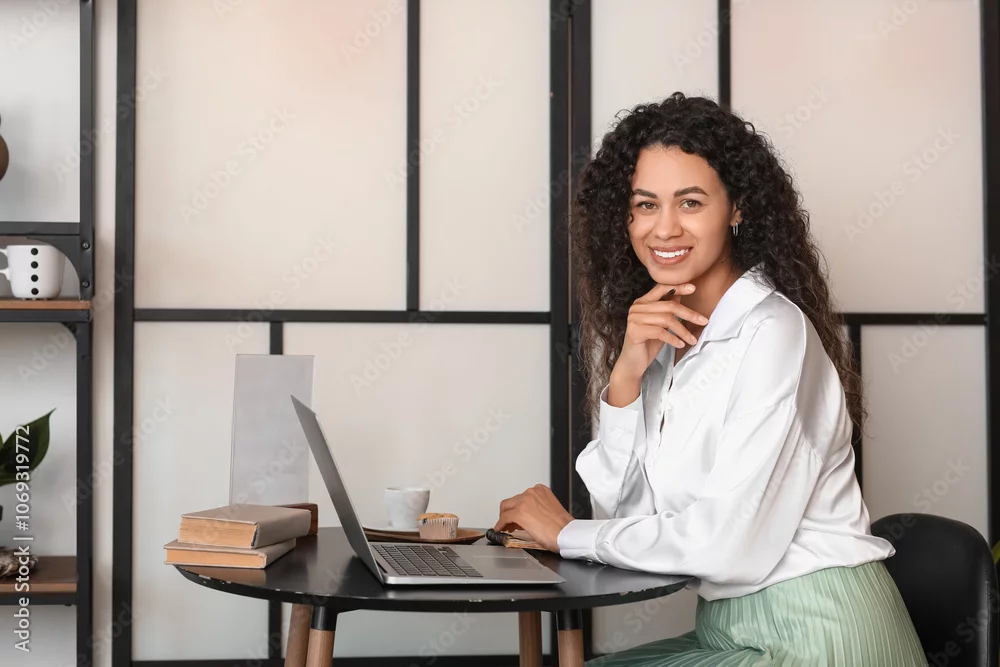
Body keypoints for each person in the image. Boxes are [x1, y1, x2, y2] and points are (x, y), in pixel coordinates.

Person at [493, 92, 926, 666]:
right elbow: (633, 521)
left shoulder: (772, 333)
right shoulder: (666, 346)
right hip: (730, 634)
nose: (664, 228)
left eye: (690, 202)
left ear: (736, 208)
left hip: (822, 636)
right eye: (645, 205)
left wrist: (566, 534)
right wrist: (625, 377)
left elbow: (728, 544)